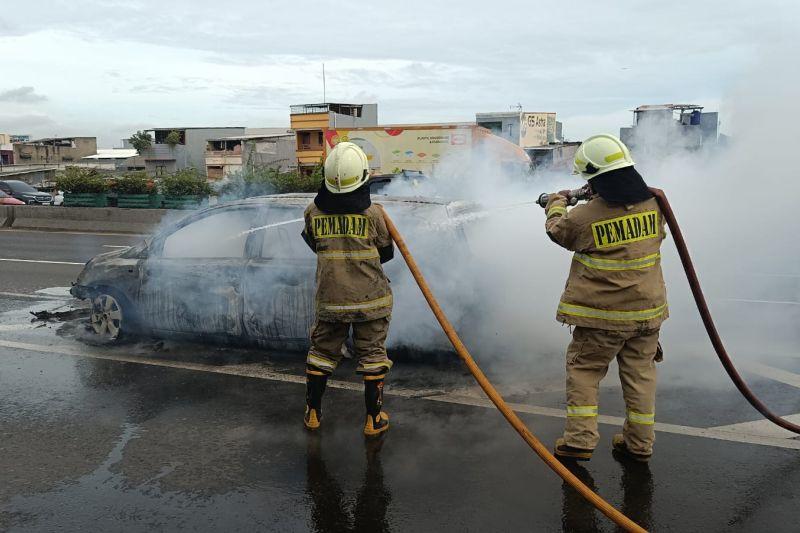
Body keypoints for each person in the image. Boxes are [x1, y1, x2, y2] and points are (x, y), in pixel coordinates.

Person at [542, 133, 667, 463]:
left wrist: (556, 202)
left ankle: (579, 440)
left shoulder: (584, 217)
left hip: (602, 317)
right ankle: (639, 444)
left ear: (595, 177)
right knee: (640, 377)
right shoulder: (655, 204)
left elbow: (558, 230)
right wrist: (588, 195)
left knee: (584, 371)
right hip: (647, 314)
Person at [301, 141, 394, 437]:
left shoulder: (313, 212)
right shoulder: (374, 214)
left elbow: (313, 245)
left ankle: (313, 414)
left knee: (320, 354)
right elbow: (386, 253)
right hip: (371, 300)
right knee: (373, 356)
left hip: (331, 300)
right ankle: (373, 420)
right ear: (363, 176)